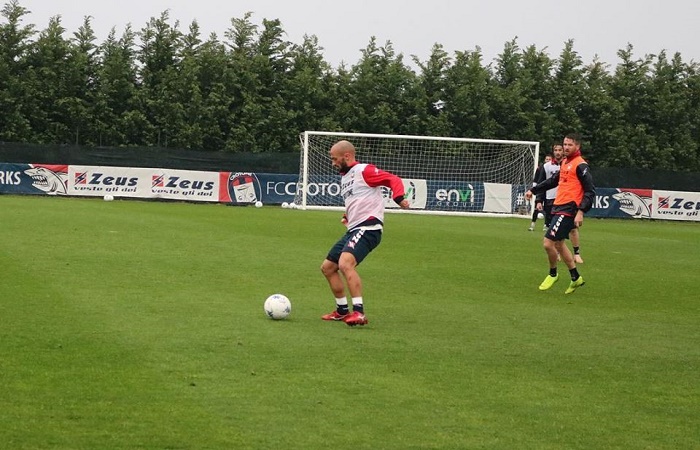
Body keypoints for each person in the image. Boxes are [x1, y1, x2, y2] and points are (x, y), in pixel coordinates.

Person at [320, 140, 410, 326]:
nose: (333, 163)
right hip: (354, 228)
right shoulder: (346, 177)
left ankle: (359, 312)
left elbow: (393, 179)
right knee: (328, 267)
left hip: (369, 228)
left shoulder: (364, 170)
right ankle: (342, 311)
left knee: (345, 263)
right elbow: (359, 199)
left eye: (335, 159)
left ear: (346, 156)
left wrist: (399, 197)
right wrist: (348, 215)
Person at [525, 133, 595, 294]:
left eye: (570, 145)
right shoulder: (564, 162)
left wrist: (581, 211)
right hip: (559, 206)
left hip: (569, 209)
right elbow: (552, 182)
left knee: (548, 243)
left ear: (577, 147)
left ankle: (553, 274)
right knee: (559, 244)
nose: (566, 147)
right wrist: (533, 190)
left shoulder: (581, 165)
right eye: (565, 144)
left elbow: (590, 191)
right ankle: (575, 277)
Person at [537, 143, 585, 264]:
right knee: (553, 229)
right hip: (550, 200)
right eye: (556, 150)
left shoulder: (571, 164)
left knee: (573, 229)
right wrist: (538, 199)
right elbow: (543, 182)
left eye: (560, 149)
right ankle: (558, 254)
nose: (558, 152)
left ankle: (576, 253)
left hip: (566, 202)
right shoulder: (546, 166)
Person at [528, 154, 552, 231]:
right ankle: (532, 224)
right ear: (544, 160)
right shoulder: (540, 168)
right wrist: (533, 190)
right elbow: (536, 179)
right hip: (540, 190)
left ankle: (546, 225)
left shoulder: (554, 168)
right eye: (546, 159)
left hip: (549, 191)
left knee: (548, 209)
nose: (548, 160)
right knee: (536, 208)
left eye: (549, 159)